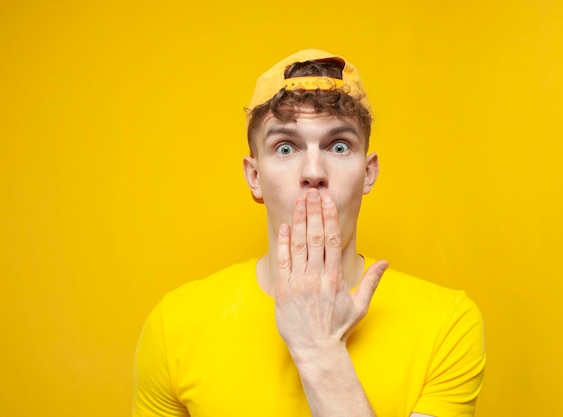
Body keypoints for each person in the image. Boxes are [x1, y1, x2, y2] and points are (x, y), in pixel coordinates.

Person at [132, 49, 486, 417]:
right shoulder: (174, 324)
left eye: (338, 146)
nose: (313, 170)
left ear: (368, 173)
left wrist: (318, 348)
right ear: (254, 177)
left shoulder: (449, 323)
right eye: (285, 147)